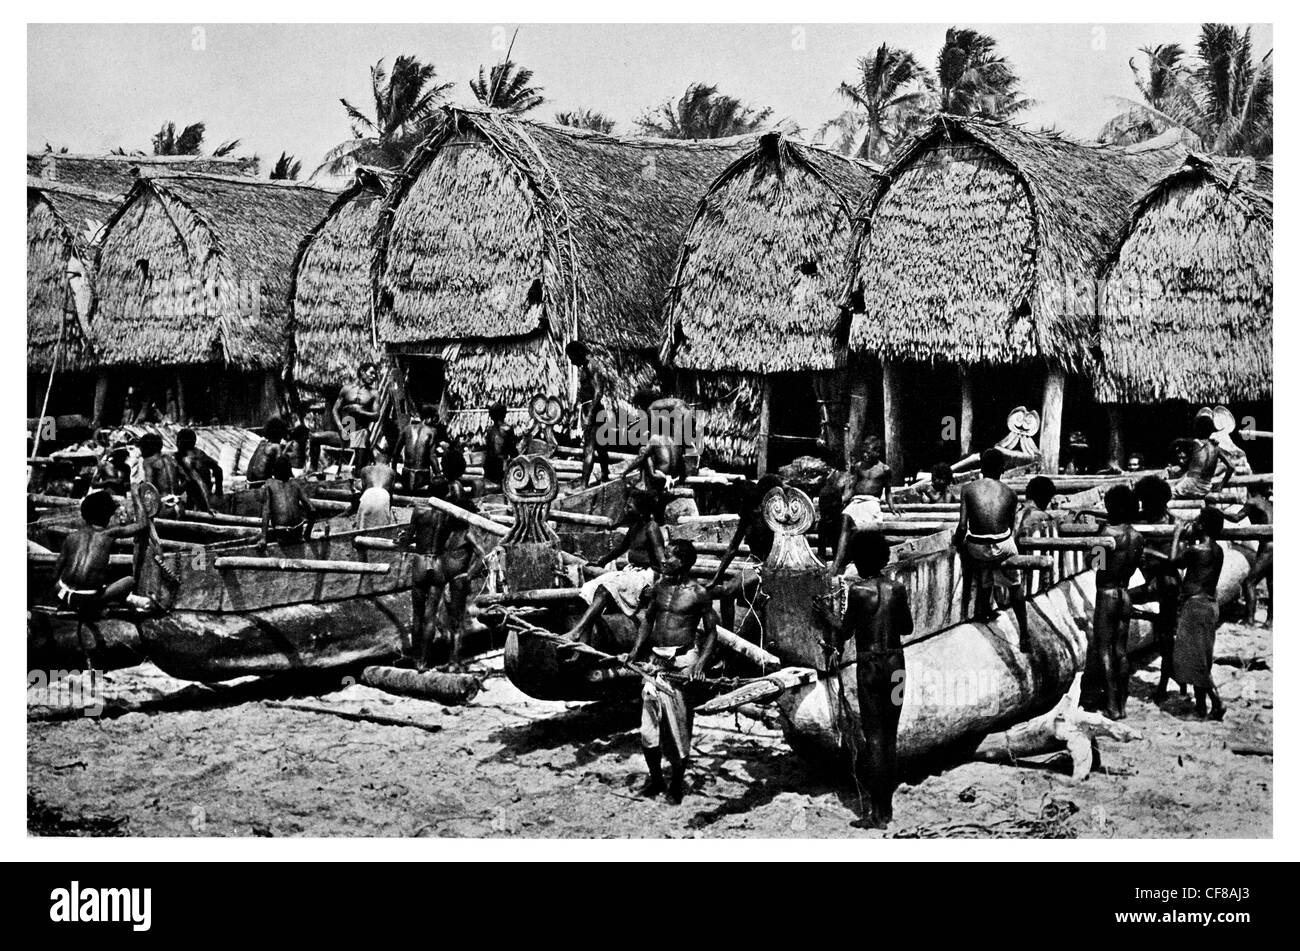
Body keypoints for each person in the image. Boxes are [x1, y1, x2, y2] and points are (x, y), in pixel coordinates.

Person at [815, 533, 910, 828]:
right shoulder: (897, 589)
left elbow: (844, 633)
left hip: (870, 667)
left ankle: (875, 813)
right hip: (896, 666)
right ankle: (887, 809)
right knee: (890, 737)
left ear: (858, 560)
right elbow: (906, 627)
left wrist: (825, 615)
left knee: (875, 738)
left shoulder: (858, 592)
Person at [623, 539, 718, 805]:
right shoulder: (659, 588)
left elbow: (711, 633)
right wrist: (635, 650)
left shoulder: (699, 593)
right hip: (656, 663)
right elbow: (647, 621)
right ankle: (656, 779)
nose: (664, 561)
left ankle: (676, 784)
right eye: (664, 556)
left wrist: (700, 665)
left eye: (670, 557)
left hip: (683, 661)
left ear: (685, 562)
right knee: (647, 729)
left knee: (678, 726)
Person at [52, 491, 155, 655]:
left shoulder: (71, 537)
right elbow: (143, 525)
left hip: (62, 594)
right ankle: (118, 603)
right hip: (87, 599)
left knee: (96, 581)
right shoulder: (109, 534)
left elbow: (55, 572)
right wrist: (137, 496)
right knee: (129, 580)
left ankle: (109, 601)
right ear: (107, 515)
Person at [400, 482, 484, 670]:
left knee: (417, 615)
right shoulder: (447, 516)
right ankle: (424, 662)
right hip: (437, 564)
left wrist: (402, 539)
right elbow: (459, 527)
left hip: (421, 562)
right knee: (430, 616)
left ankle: (416, 659)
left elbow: (408, 538)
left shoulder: (419, 511)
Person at [563, 488, 664, 645]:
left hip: (646, 576)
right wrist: (601, 562)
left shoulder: (651, 527)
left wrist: (660, 585)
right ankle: (584, 641)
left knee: (605, 589)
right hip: (631, 571)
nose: (626, 509)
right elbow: (621, 548)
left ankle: (576, 632)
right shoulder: (636, 526)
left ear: (642, 511)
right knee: (590, 588)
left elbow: (661, 559)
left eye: (630, 507)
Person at [1080, 486, 1145, 720]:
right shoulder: (1138, 536)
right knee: (1121, 651)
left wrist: (1094, 541)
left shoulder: (1108, 533)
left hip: (1106, 593)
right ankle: (1122, 704)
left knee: (1103, 649)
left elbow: (1095, 564)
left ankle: (1110, 704)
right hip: (1125, 593)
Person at [954, 448, 1029, 650]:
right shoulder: (1011, 493)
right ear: (1002, 469)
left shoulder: (968, 489)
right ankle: (1025, 634)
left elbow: (962, 526)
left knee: (983, 562)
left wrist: (956, 543)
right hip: (1003, 545)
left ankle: (984, 610)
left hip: (977, 547)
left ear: (981, 468)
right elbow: (1009, 527)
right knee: (1015, 584)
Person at [1163, 507, 1227, 719]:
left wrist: (1176, 534)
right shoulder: (1218, 551)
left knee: (1195, 660)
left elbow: (1173, 562)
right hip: (1209, 605)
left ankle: (1216, 701)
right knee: (1200, 657)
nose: (1195, 524)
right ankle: (1201, 707)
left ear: (1203, 526)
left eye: (1198, 522)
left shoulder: (1197, 551)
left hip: (1195, 607)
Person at [1129, 475, 1183, 702]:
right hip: (1152, 582)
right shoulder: (1140, 518)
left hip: (1168, 582)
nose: (1144, 506)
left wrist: (1148, 553)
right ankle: (1168, 680)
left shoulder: (1173, 522)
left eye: (1147, 502)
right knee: (1164, 631)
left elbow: (1178, 559)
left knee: (1166, 637)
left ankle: (1163, 684)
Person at [830, 436, 894, 576]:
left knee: (855, 529)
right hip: (856, 501)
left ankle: (842, 562)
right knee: (844, 518)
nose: (865, 455)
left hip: (871, 503)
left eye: (868, 452)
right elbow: (852, 489)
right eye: (864, 451)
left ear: (877, 452)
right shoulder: (858, 467)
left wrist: (892, 506)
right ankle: (837, 563)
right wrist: (840, 500)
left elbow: (888, 492)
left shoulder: (884, 469)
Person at [1223, 485, 1272, 626]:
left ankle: (1249, 619)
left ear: (1249, 491)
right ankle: (1270, 621)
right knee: (1272, 583)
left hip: (1268, 546)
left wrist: (1219, 513)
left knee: (1249, 582)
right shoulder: (1269, 503)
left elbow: (1237, 517)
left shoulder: (1253, 501)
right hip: (1272, 542)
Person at [624, 389, 686, 493]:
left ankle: (642, 482)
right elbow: (682, 466)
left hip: (659, 477)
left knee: (644, 451)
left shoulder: (655, 436)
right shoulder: (675, 440)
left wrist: (625, 472)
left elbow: (641, 457)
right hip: (675, 476)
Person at [567, 341, 612, 487]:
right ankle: (605, 475)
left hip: (595, 411)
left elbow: (598, 392)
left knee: (589, 448)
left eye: (572, 357)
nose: (571, 361)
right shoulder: (585, 367)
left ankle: (584, 484)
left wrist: (590, 416)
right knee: (601, 447)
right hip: (592, 410)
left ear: (578, 354)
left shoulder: (592, 366)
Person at [333, 361, 382, 466]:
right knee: (315, 437)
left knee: (360, 467)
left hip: (360, 434)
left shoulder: (374, 394)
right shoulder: (346, 389)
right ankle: (311, 471)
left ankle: (359, 471)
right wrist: (340, 427)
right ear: (362, 372)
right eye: (371, 373)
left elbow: (376, 416)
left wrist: (360, 411)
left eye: (375, 374)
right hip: (344, 432)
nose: (374, 376)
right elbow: (335, 410)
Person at [137, 432, 197, 518]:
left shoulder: (148, 462)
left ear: (146, 448)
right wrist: (174, 493)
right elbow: (187, 479)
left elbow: (148, 487)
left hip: (163, 507)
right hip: (179, 505)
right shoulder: (171, 460)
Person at [260, 456, 316, 545]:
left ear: (275, 471)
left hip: (282, 534)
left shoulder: (269, 484)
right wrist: (307, 533)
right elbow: (312, 509)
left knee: (257, 537)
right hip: (297, 533)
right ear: (289, 471)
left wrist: (263, 538)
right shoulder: (295, 485)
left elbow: (266, 512)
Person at [394, 403, 443, 494]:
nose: (434, 424)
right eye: (434, 421)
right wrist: (438, 475)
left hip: (406, 476)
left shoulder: (406, 429)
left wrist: (394, 470)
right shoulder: (431, 431)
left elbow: (396, 452)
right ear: (428, 418)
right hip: (421, 477)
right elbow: (432, 456)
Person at [1170, 414, 1222, 499]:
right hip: (1206, 487)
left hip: (1192, 485)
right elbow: (1231, 467)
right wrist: (1221, 485)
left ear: (1197, 429)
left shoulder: (1195, 443)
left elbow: (1177, 441)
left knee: (1168, 492)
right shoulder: (1216, 447)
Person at [175, 428, 223, 501]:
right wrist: (218, 492)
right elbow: (218, 469)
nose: (177, 444)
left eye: (179, 441)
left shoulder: (188, 457)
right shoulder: (200, 453)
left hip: (198, 496)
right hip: (202, 494)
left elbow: (189, 482)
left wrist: (218, 492)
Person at [356, 447, 396, 529]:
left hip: (368, 494)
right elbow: (390, 494)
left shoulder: (365, 470)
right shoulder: (391, 472)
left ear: (374, 462)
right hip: (383, 495)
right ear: (388, 463)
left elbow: (363, 491)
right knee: (383, 527)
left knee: (362, 524)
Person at [483, 402, 518, 486]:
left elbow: (488, 450)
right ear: (504, 415)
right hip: (501, 466)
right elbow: (512, 451)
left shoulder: (489, 430)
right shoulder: (507, 429)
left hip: (489, 465)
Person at [246, 416, 289, 482]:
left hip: (251, 479)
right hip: (261, 482)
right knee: (284, 460)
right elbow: (281, 467)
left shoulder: (262, 444)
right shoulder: (276, 447)